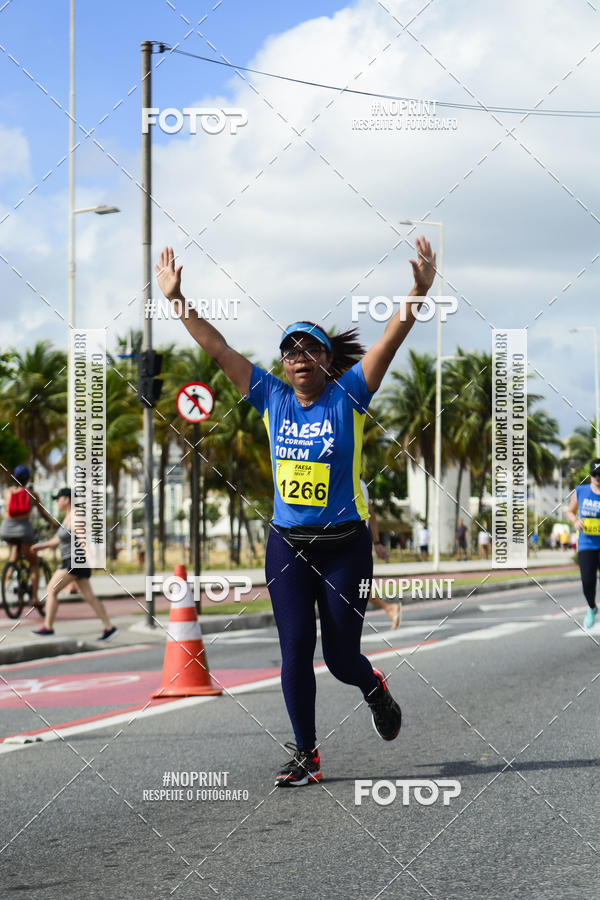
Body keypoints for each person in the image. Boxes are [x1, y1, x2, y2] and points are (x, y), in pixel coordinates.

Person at [155, 237, 436, 786]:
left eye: (309, 351)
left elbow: (390, 339)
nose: (298, 359)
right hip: (287, 544)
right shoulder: (269, 396)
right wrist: (175, 299)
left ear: (326, 360)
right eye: (290, 352)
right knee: (293, 654)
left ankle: (373, 687)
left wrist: (419, 292)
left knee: (340, 659)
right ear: (283, 364)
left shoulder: (350, 393)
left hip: (345, 547)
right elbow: (218, 349)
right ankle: (307, 754)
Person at [30, 488, 117, 640]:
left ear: (67, 499)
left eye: (58, 498)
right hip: (75, 561)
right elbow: (57, 541)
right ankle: (109, 628)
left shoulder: (75, 517)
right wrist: (40, 546)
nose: (56, 502)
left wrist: (91, 559)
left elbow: (84, 539)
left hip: (74, 561)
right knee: (89, 597)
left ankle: (48, 627)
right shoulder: (68, 518)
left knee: (52, 589)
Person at [0, 464, 54, 605]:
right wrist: (53, 523)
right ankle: (35, 598)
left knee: (14, 548)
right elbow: (42, 514)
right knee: (33, 563)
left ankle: (10, 570)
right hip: (24, 530)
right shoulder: (32, 494)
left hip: (6, 529)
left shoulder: (6, 492)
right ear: (28, 478)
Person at [360, 478, 401, 629]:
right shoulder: (362, 484)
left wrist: (376, 543)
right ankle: (388, 608)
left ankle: (389, 607)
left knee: (358, 587)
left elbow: (371, 515)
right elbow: (372, 516)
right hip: (361, 542)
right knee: (358, 587)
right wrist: (376, 543)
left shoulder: (348, 482)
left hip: (352, 545)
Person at [566, 459, 600, 629]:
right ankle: (592, 607)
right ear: (590, 474)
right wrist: (575, 521)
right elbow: (570, 512)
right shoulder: (581, 491)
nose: (597, 478)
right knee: (588, 582)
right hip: (586, 544)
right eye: (594, 474)